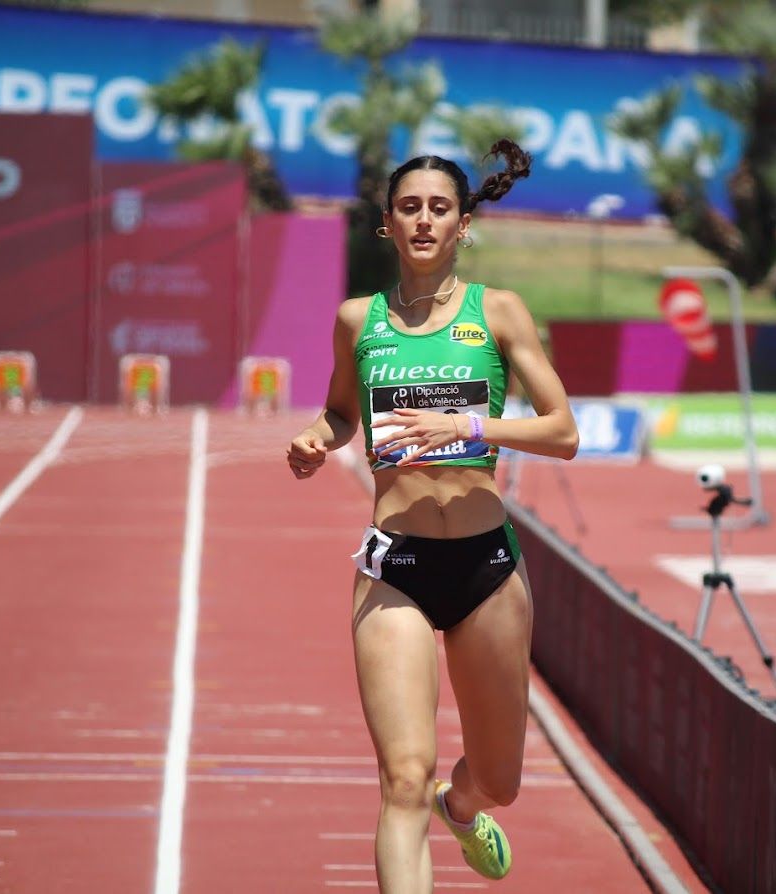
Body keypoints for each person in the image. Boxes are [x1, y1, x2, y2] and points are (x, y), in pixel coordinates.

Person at [287, 140, 578, 892]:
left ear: (462, 225)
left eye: (438, 208)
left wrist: (470, 428)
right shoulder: (359, 320)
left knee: (497, 780)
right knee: (401, 779)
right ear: (386, 223)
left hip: (486, 567)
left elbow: (563, 432)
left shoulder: (499, 312)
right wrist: (318, 440)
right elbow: (339, 412)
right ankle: (429, 807)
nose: (423, 220)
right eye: (408, 207)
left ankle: (463, 807)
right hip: (397, 568)